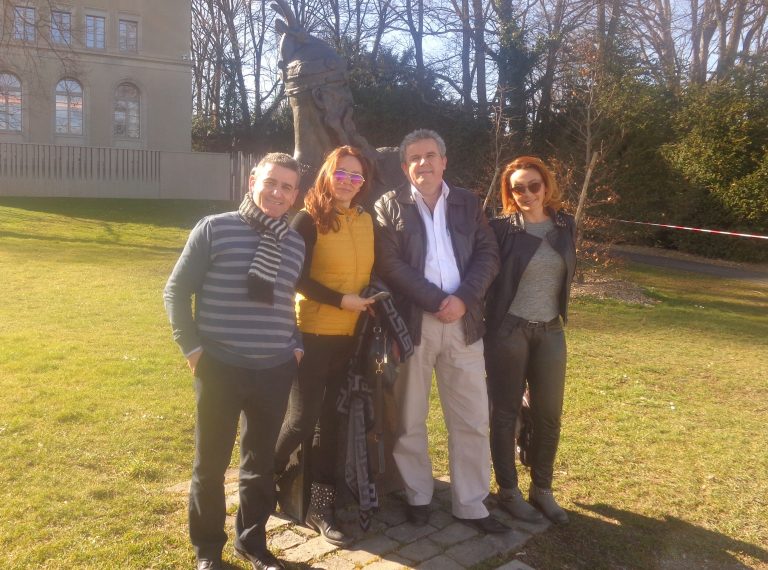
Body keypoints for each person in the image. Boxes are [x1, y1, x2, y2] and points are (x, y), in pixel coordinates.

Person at [164, 153, 304, 570]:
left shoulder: (295, 243)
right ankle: (208, 551)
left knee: (260, 465)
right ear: (252, 181)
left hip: (274, 369)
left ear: (295, 195)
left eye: (286, 187)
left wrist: (295, 344)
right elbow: (176, 291)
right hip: (220, 367)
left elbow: (289, 300)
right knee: (210, 465)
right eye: (270, 182)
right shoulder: (214, 228)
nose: (277, 192)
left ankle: (252, 543)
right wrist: (192, 349)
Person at [373, 129, 505, 533]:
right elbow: (389, 264)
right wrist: (436, 300)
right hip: (414, 324)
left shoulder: (468, 202)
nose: (423, 163)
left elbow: (488, 254)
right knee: (410, 416)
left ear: (444, 161)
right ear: (404, 167)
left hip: (465, 323)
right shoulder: (388, 205)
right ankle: (418, 495)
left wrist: (462, 298)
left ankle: (471, 503)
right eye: (414, 157)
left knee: (471, 418)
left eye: (430, 155)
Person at [273, 146, 377, 545]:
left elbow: (371, 270)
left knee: (331, 423)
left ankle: (321, 506)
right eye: (341, 173)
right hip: (312, 334)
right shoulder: (307, 219)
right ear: (327, 175)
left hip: (351, 338)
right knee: (302, 419)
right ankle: (264, 476)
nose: (348, 182)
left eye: (356, 176)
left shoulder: (366, 220)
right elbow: (296, 278)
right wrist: (340, 300)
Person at [484, 155, 577, 526]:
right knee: (505, 413)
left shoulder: (565, 225)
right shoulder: (500, 228)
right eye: (517, 188)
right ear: (510, 192)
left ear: (546, 186)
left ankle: (542, 489)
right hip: (509, 331)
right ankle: (508, 491)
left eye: (533, 185)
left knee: (549, 414)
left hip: (551, 330)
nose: (526, 193)